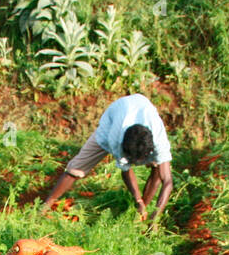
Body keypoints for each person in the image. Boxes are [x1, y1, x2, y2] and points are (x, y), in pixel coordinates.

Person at [40, 93, 173, 224]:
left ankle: (142, 212)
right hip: (113, 119)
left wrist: (154, 217)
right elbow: (125, 171)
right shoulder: (116, 138)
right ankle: (43, 208)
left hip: (142, 108)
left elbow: (167, 181)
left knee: (158, 170)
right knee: (75, 170)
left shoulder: (158, 138)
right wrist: (136, 198)